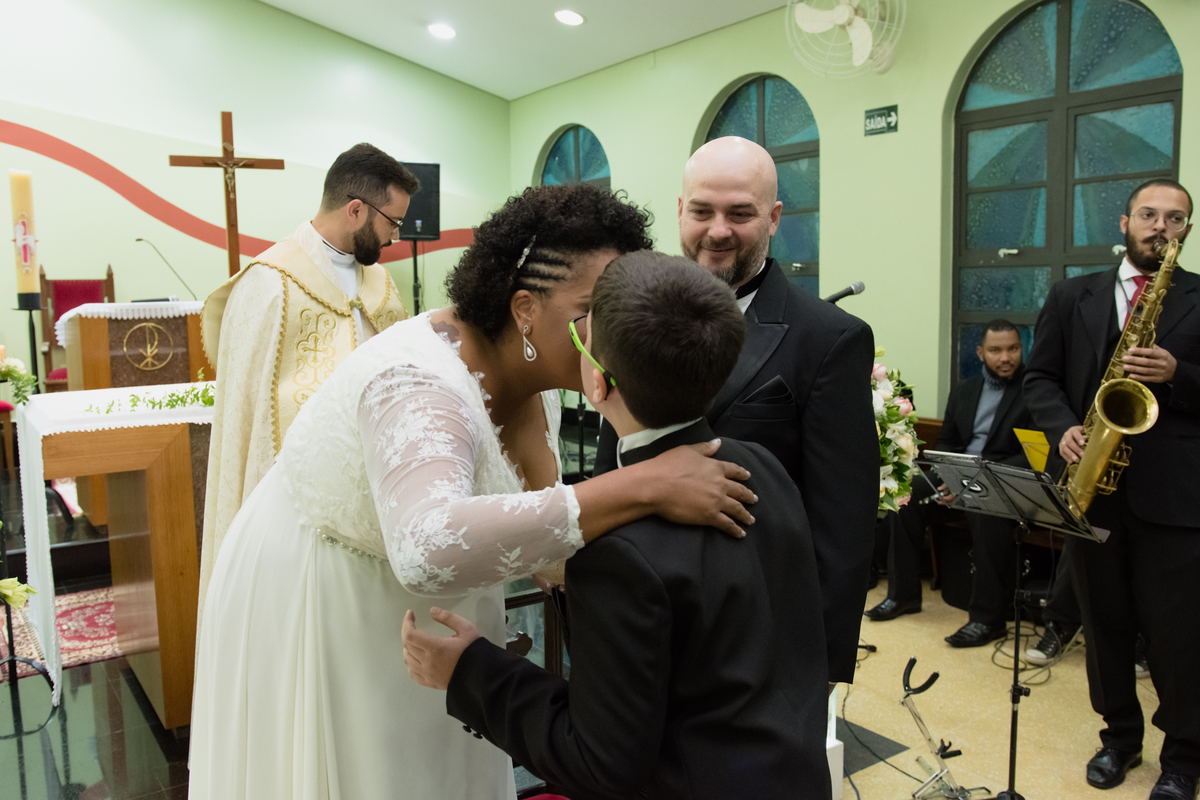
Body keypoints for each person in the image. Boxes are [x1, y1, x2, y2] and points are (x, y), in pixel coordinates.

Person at [187, 184, 757, 800]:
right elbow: (428, 547)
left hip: (439, 604)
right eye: (592, 310)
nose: (615, 327)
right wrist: (640, 485)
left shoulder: (537, 371)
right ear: (525, 309)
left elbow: (546, 537)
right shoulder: (417, 383)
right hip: (332, 591)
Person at [402, 252, 832, 800]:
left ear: (598, 384)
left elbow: (601, 760)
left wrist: (471, 674)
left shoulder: (617, 556)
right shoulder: (763, 467)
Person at [594, 136, 878, 687]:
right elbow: (611, 462)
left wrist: (818, 667)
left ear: (773, 218)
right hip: (636, 617)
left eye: (740, 214)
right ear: (681, 210)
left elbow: (843, 525)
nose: (718, 230)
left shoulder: (830, 338)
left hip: (758, 635)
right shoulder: (626, 314)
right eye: (702, 211)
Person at [1024, 178, 1199, 800]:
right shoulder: (1072, 295)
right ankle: (1119, 738)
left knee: (1179, 637)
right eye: (1149, 215)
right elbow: (1039, 378)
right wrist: (1062, 428)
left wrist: (1179, 374)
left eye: (1174, 219)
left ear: (1186, 231)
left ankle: (1184, 758)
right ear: (1124, 223)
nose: (1160, 227)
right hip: (1092, 489)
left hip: (1175, 501)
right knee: (1104, 626)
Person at [198, 143, 416, 620]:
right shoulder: (269, 284)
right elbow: (252, 421)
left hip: (372, 495)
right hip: (293, 510)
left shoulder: (380, 281)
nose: (396, 235)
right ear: (356, 210)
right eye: (392, 222)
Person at [864, 320, 1040, 647]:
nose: (1006, 357)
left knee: (985, 508)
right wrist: (952, 477)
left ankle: (987, 620)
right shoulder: (965, 390)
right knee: (908, 493)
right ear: (981, 353)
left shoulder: (1035, 390)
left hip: (1003, 483)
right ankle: (903, 595)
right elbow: (946, 444)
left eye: (1013, 349)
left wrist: (974, 480)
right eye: (996, 350)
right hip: (960, 475)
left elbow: (1032, 456)